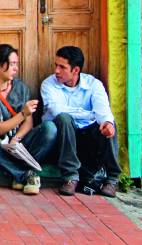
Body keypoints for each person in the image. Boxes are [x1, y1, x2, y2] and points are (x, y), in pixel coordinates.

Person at [0, 43, 56, 195]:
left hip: (19, 145)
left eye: (16, 64)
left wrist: (17, 139)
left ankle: (18, 173)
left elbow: (29, 122)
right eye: (12, 64)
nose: (16, 68)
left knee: (50, 128)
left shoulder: (21, 88)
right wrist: (22, 114)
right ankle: (25, 174)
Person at [41, 45, 121, 197]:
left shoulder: (93, 85)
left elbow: (103, 110)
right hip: (62, 142)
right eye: (56, 65)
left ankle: (112, 179)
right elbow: (57, 110)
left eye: (62, 67)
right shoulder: (48, 84)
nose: (56, 71)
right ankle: (70, 177)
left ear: (76, 70)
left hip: (88, 141)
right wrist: (90, 114)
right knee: (64, 119)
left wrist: (106, 122)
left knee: (109, 124)